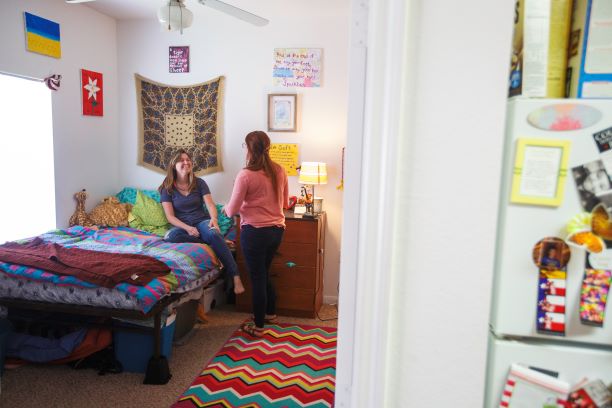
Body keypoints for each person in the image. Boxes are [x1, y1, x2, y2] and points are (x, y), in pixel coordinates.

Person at [223, 131, 289, 337]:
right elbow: (285, 204)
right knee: (264, 272)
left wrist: (228, 207)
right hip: (277, 231)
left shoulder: (245, 175)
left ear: (250, 149)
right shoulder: (280, 170)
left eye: (245, 146)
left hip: (255, 233)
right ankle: (270, 313)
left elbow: (231, 211)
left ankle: (259, 326)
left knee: (258, 277)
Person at [159, 149, 245, 295]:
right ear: (173, 165)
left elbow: (210, 204)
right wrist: (187, 228)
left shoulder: (199, 183)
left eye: (188, 159)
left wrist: (214, 220)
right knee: (170, 237)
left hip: (201, 221)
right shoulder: (167, 187)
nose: (186, 162)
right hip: (182, 226)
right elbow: (170, 217)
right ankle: (212, 242)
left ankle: (235, 276)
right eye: (181, 160)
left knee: (212, 233)